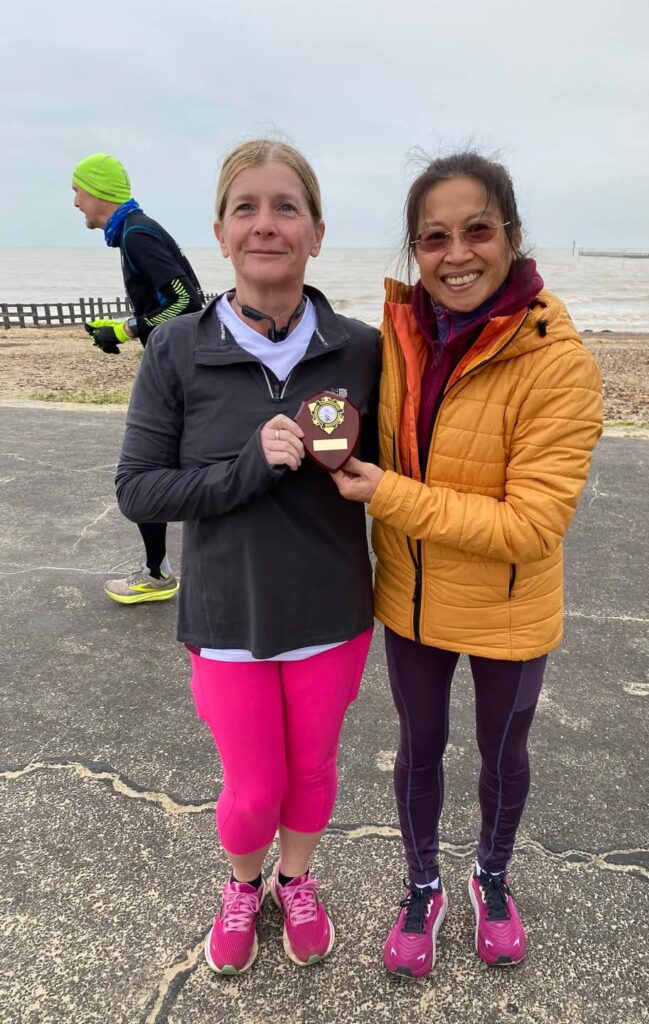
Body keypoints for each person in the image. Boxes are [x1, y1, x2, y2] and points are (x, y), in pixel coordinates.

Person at [332, 150, 603, 977]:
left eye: (477, 230)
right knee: (419, 747)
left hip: (511, 611)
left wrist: (386, 494)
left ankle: (491, 875)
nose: (457, 255)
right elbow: (342, 414)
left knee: (502, 752)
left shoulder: (561, 363)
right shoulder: (397, 337)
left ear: (513, 237)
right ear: (416, 250)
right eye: (435, 237)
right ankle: (422, 886)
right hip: (411, 599)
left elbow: (532, 524)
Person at [115, 139, 380, 973]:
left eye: (286, 208)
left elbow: (407, 469)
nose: (267, 224)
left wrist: (372, 477)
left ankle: (294, 882)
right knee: (253, 789)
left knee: (311, 775)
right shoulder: (178, 350)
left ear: (317, 232)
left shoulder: (363, 349)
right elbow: (139, 490)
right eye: (247, 209)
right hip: (227, 616)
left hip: (332, 611)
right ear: (222, 234)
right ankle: (242, 885)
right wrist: (244, 471)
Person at [72, 152, 204, 604]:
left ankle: (161, 574)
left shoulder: (137, 233)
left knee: (147, 469)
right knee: (163, 466)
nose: (75, 202)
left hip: (180, 372)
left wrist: (129, 328)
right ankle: (159, 570)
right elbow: (170, 301)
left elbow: (188, 302)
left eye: (78, 191)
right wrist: (122, 328)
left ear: (98, 192)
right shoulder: (133, 230)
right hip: (178, 367)